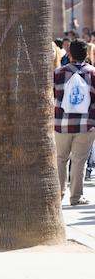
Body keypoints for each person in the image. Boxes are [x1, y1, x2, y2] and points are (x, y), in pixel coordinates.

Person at [54, 39, 95, 206]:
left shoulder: (58, 73)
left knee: (60, 159)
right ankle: (76, 197)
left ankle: (58, 195)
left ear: (69, 53)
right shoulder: (92, 73)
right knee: (79, 161)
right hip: (86, 125)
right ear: (86, 54)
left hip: (62, 124)